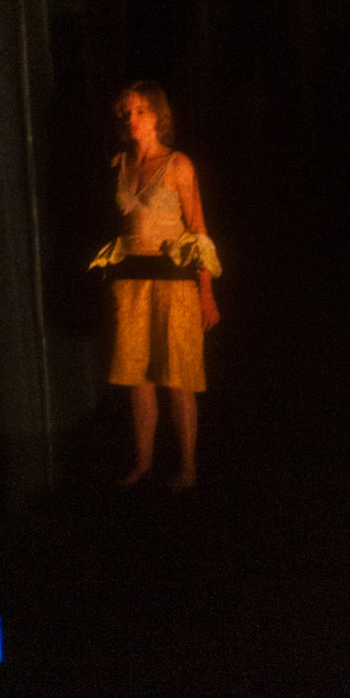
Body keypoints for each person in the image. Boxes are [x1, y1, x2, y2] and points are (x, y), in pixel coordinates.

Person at [101, 81, 220, 489]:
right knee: (138, 377)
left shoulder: (178, 165)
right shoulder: (120, 164)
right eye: (127, 113)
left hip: (173, 282)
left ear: (158, 117)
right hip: (133, 284)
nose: (133, 119)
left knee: (178, 378)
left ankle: (188, 466)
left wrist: (206, 292)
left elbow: (199, 230)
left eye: (142, 111)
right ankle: (144, 461)